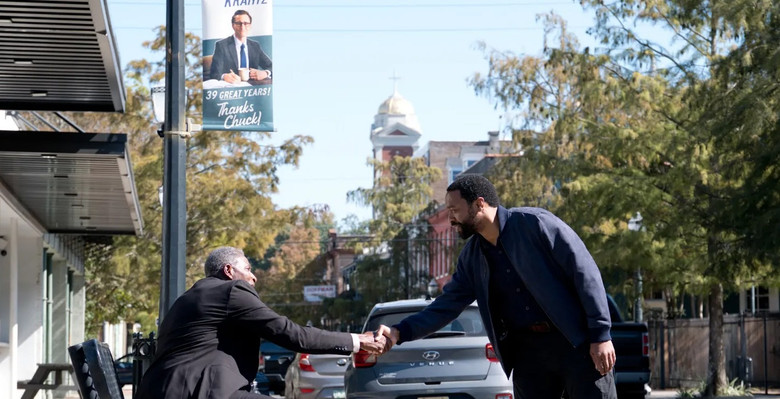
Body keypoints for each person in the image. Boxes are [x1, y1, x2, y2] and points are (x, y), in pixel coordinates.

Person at [378, 174, 617, 399]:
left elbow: (585, 274)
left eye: (454, 210)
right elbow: (445, 306)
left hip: (577, 344)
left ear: (479, 204)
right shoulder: (471, 257)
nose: (451, 220)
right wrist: (399, 332)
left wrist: (601, 335)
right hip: (529, 356)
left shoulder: (536, 224)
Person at [136, 246, 385, 399]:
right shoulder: (231, 291)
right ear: (228, 270)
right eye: (247, 268)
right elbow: (292, 334)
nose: (253, 276)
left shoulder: (194, 295)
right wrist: (357, 340)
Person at [208, 9, 272, 83]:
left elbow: (271, 66)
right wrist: (224, 76)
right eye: (238, 23)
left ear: (250, 26)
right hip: (231, 89)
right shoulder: (221, 46)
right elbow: (214, 74)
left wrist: (265, 73)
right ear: (233, 25)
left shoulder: (255, 46)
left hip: (252, 89)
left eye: (246, 23)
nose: (242, 27)